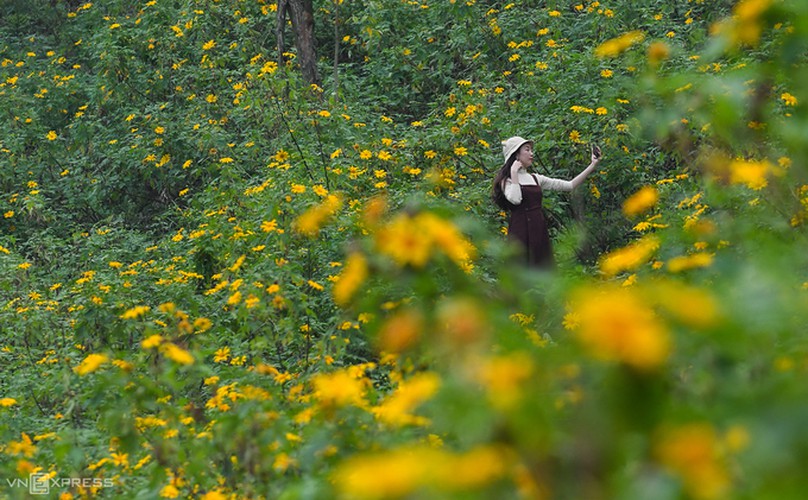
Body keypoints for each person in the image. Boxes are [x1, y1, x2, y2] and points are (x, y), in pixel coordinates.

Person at [492, 136, 602, 268]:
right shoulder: (507, 181)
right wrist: (514, 172)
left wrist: (593, 165)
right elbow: (515, 200)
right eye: (527, 150)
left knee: (542, 269)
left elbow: (569, 185)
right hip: (520, 231)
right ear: (516, 154)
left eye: (531, 150)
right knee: (521, 269)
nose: (531, 153)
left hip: (538, 228)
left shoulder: (535, 178)